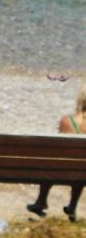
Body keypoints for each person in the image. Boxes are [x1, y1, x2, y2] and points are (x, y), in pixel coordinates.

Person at [27, 85, 85, 220]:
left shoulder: (66, 121)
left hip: (59, 169)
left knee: (52, 163)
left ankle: (41, 201)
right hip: (82, 172)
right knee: (81, 166)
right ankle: (72, 206)